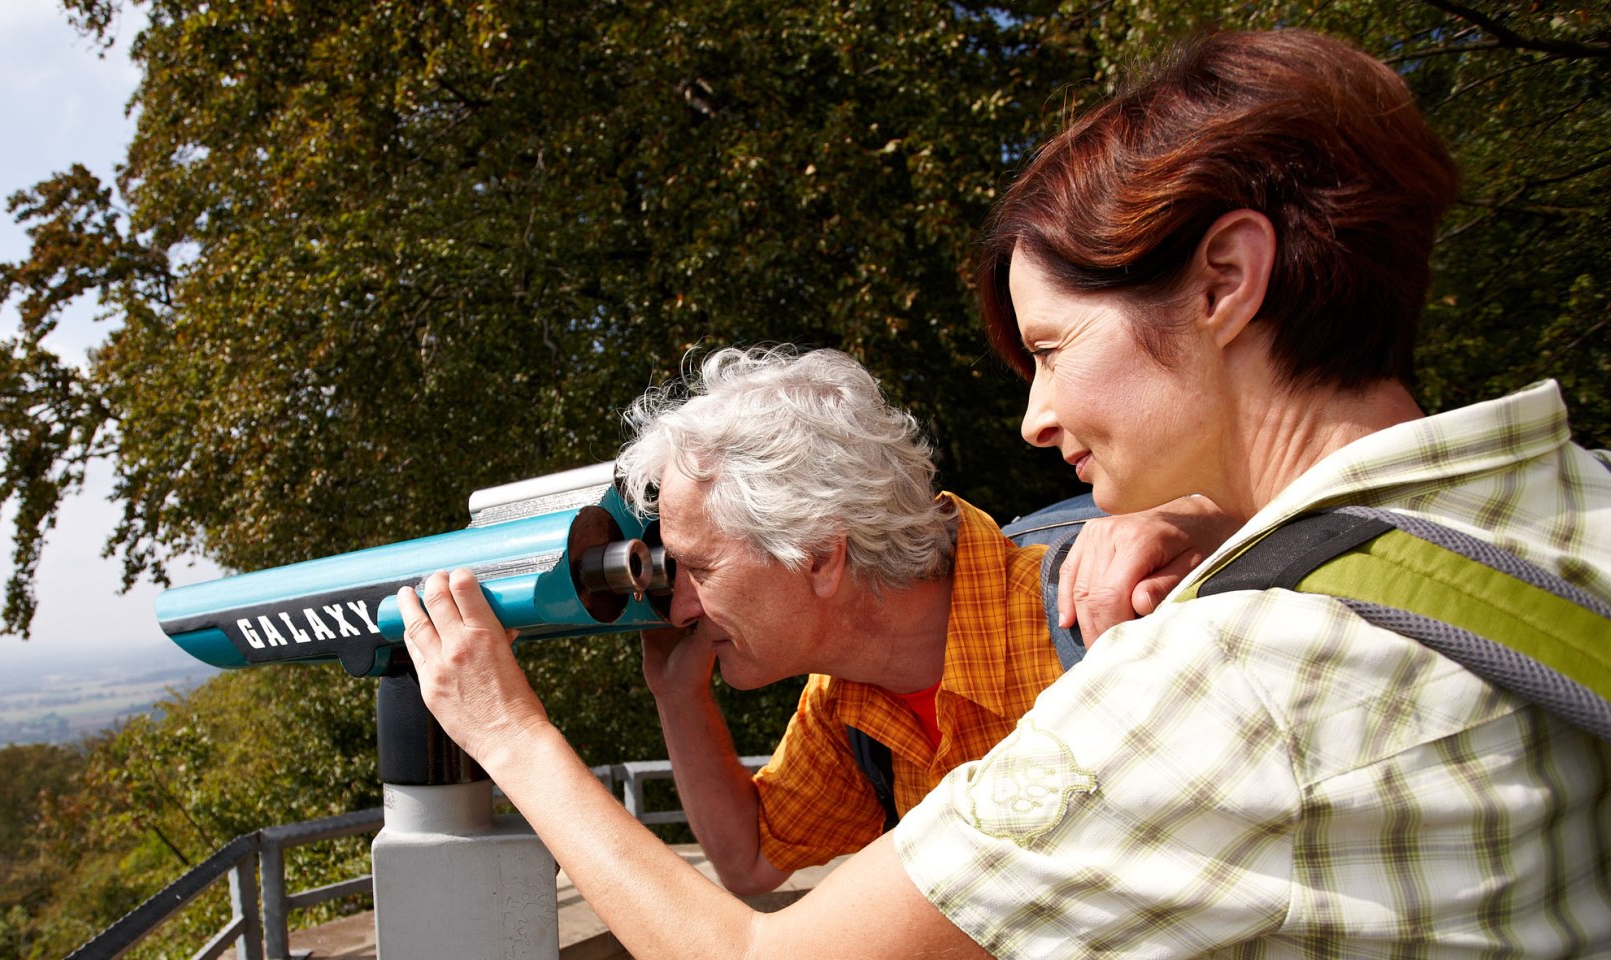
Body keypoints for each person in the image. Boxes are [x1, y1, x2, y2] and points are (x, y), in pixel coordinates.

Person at [399, 27, 1611, 958]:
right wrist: (1228, 524)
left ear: (1225, 280)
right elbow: (760, 857)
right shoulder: (1557, 501)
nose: (1032, 419)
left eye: (1051, 349)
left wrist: (504, 729)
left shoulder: (1202, 669)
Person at [622, 347, 1226, 894]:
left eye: (698, 567)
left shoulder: (1097, 611)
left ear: (819, 556)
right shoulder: (844, 706)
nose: (681, 609)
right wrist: (678, 695)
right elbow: (748, 858)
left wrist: (1210, 514)